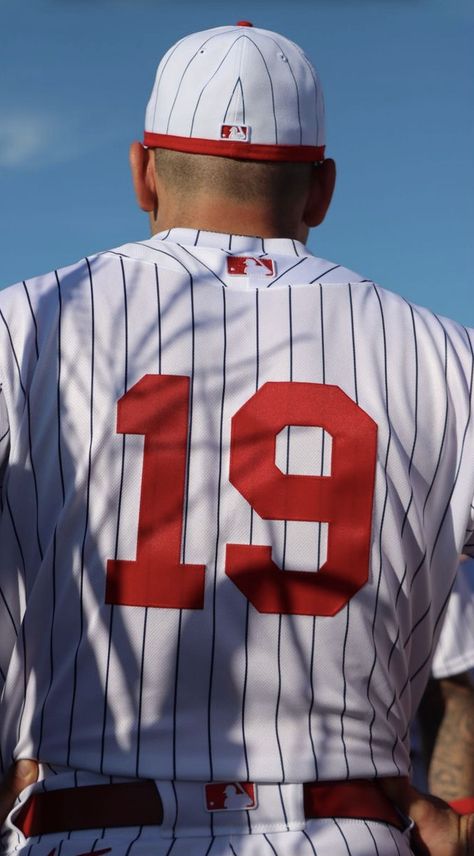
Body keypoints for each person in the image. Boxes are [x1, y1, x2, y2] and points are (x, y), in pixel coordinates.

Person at [0, 20, 473, 856]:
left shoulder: (25, 326)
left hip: (89, 828)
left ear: (144, 169)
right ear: (321, 188)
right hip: (350, 831)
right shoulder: (445, 354)